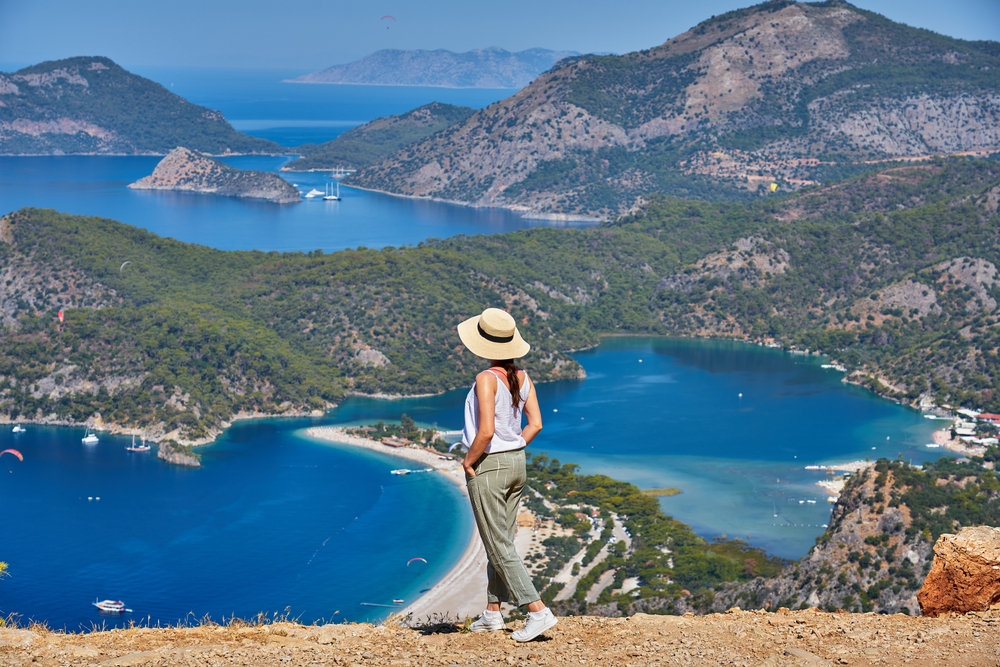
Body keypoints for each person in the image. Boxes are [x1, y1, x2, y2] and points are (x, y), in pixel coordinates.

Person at [456, 307, 557, 642]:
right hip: (518, 462)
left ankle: (537, 611)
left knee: (498, 543)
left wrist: (469, 462)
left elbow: (484, 432)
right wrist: (514, 446)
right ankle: (492, 613)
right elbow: (537, 424)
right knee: (500, 540)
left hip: (490, 465)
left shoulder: (486, 379)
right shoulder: (523, 377)